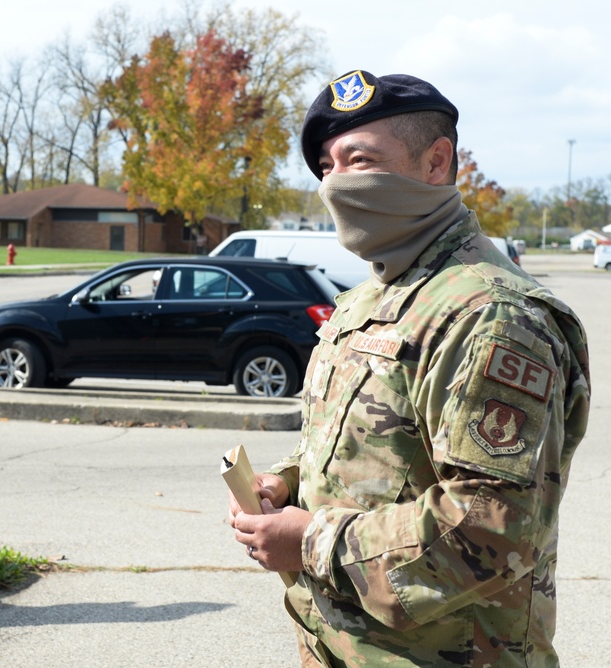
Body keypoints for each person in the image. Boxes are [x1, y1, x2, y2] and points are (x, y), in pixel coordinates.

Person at [229, 70, 590, 666]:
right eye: (326, 166)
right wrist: (288, 483)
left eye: (358, 159)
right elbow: (374, 444)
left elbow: (489, 528)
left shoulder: (490, 314)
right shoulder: (371, 297)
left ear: (435, 162)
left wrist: (310, 540)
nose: (335, 183)